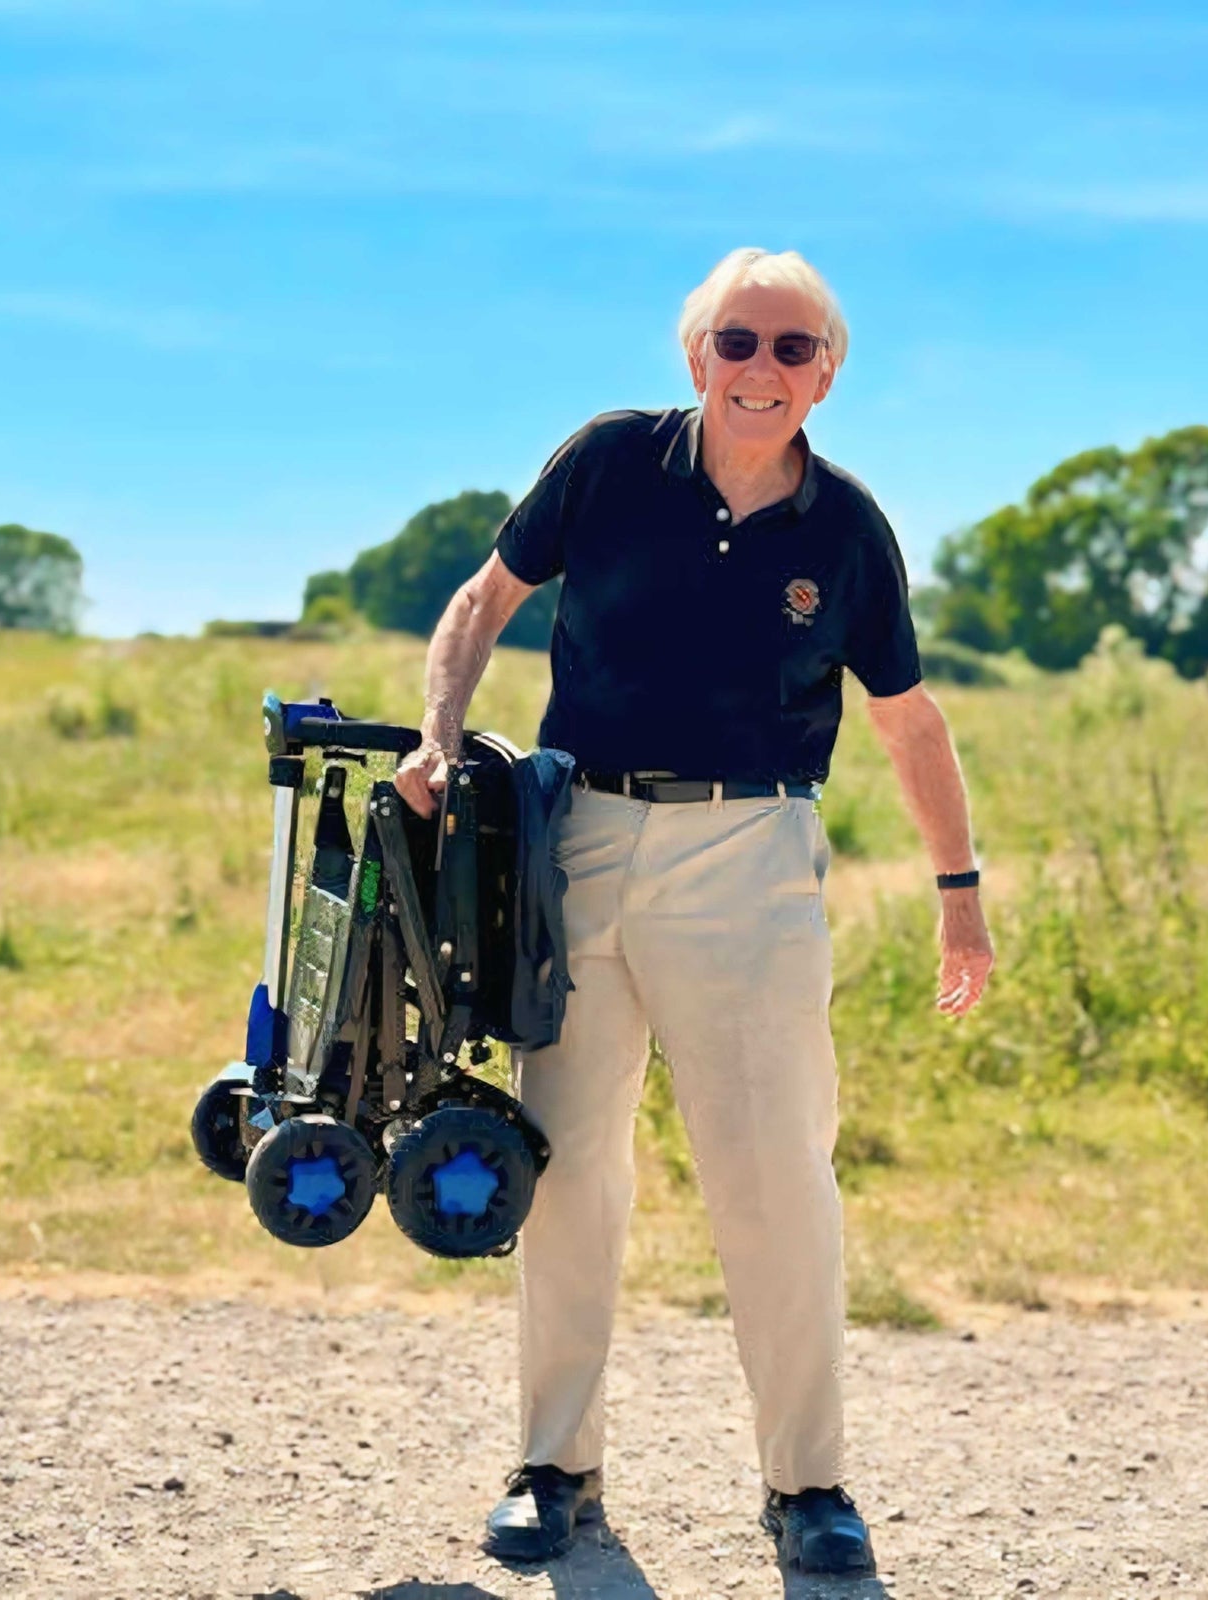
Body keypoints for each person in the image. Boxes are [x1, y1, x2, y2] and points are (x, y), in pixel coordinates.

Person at [393, 247, 995, 1578]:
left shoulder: (845, 531)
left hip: (752, 854)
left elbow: (908, 722)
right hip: (577, 842)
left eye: (793, 349)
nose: (762, 371)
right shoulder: (606, 463)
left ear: (829, 373)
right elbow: (482, 603)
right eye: (738, 344)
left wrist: (961, 895)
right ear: (694, 357)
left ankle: (810, 1487)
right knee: (563, 1163)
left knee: (775, 1180)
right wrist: (438, 738)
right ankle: (555, 1469)